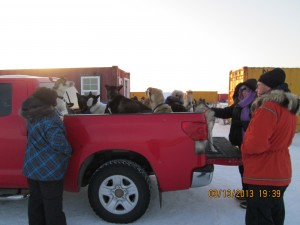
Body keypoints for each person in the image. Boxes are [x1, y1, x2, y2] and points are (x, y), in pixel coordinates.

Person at [241, 68, 300, 225]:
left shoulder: (268, 107)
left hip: (264, 174)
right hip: (280, 173)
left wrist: (243, 147)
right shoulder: (288, 107)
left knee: (259, 218)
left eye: (259, 84)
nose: (256, 88)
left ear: (268, 87)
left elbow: (255, 144)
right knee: (274, 214)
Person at [19, 87, 73, 225]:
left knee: (35, 203)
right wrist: (69, 150)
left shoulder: (31, 115)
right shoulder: (51, 119)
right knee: (53, 206)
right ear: (50, 101)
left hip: (32, 167)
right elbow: (58, 143)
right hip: (49, 170)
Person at [211, 78, 257, 208]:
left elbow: (258, 127)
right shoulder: (238, 104)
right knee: (243, 169)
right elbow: (225, 112)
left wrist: (243, 124)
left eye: (246, 91)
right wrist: (211, 110)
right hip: (241, 142)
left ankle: (252, 200)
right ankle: (246, 192)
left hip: (253, 144)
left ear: (252, 92)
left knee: (251, 171)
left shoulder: (256, 104)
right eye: (241, 91)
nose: (243, 93)